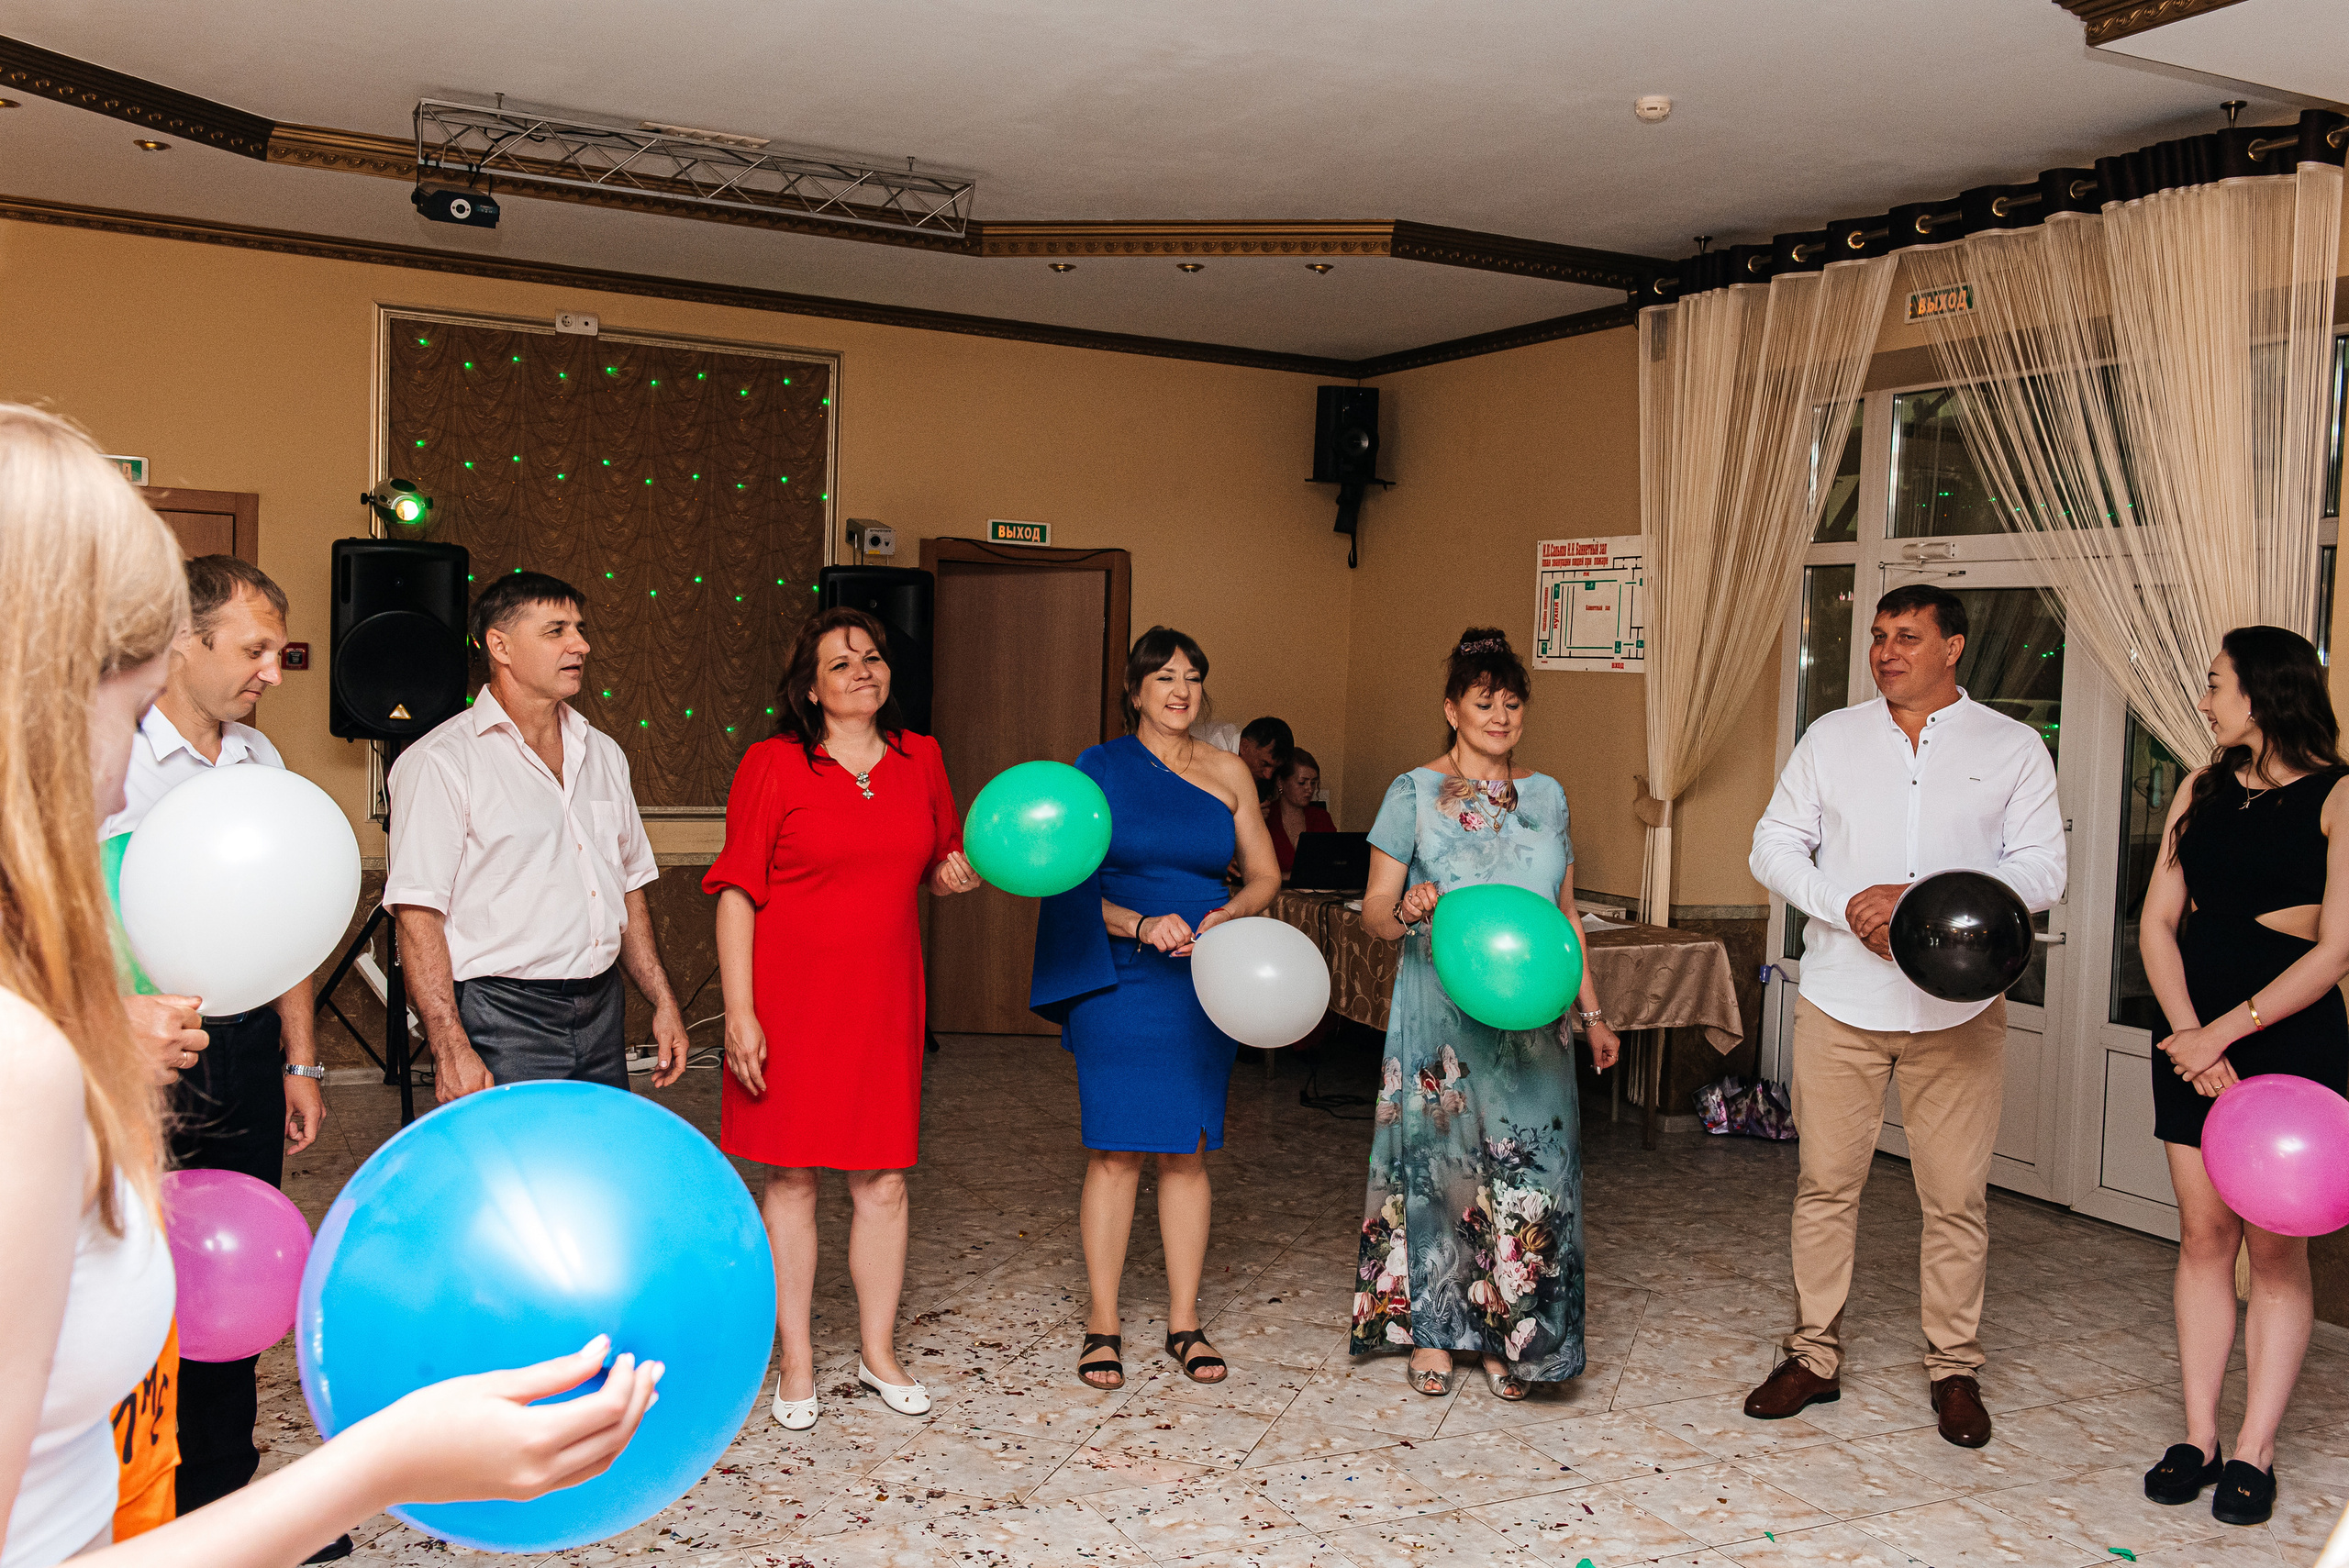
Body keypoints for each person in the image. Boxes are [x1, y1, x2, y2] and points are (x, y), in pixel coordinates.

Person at [0, 402, 659, 1568]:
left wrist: (294, 1053)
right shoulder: (27, 1069)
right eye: (124, 696)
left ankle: (215, 1470)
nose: (120, 781)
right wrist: (379, 1463)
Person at [1746, 583, 2065, 1449]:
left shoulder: (2012, 746)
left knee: (1955, 1197)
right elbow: (1773, 843)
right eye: (1879, 635)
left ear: (1952, 647)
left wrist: (1925, 902)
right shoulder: (1832, 736)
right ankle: (1812, 1355)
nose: (1886, 651)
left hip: (1958, 1011)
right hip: (1841, 1001)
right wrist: (1847, 904)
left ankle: (1954, 1369)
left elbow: (2043, 868)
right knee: (1825, 1185)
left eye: (1907, 636)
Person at [94, 557, 337, 1551]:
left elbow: (286, 920)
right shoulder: (109, 758)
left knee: (232, 1270)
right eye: (253, 650)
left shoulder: (260, 761)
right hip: (133, 1049)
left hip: (241, 1049)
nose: (274, 671)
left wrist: (300, 1057)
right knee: (134, 1274)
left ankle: (226, 1501)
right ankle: (135, 1509)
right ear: (184, 642)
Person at [705, 608, 980, 1431]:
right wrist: (740, 1011)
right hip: (787, 1002)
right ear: (810, 690)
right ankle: (795, 1360)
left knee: (883, 1180)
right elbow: (736, 890)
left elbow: (937, 862)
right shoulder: (773, 763)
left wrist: (955, 875)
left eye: (872, 656)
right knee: (791, 1178)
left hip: (884, 1002)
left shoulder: (921, 757)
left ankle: (877, 1352)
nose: (863, 670)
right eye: (841, 662)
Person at [1350, 628, 1620, 1399]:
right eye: (1483, 701)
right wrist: (1407, 907)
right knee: (1445, 1169)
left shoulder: (1548, 796)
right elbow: (1373, 914)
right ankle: (1436, 1331)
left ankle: (1512, 1334)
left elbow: (1564, 915)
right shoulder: (1412, 792)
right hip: (1440, 1014)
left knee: (1533, 1170)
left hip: (1535, 1021)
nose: (1500, 716)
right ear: (1452, 709)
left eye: (1511, 703)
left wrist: (1593, 1012)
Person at [2137, 626, 2349, 1528]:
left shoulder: (2340, 795)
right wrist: (2189, 1033)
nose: (2203, 699)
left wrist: (2222, 1034)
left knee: (2274, 1249)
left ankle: (2256, 1447)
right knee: (2202, 1237)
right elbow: (2157, 921)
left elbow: (2336, 947)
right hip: (2190, 1032)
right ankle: (2199, 1436)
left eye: (2215, 682)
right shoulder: (2200, 786)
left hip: (2287, 1040)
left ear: (2263, 691)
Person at [1030, 628, 1281, 1391]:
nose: (1181, 689)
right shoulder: (1098, 769)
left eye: (1193, 677)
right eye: (1165, 676)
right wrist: (1139, 924)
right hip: (1120, 973)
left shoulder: (1229, 771)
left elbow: (1265, 874)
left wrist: (1230, 914)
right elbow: (1066, 878)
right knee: (1115, 1150)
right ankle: (1102, 1322)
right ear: (1134, 690)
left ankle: (1184, 1321)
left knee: (1187, 1149)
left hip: (1203, 977)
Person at [385, 573, 688, 1100]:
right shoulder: (440, 761)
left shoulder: (604, 753)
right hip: (502, 1015)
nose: (581, 644)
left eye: (580, 628)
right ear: (499, 646)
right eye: (556, 630)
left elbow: (628, 887)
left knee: (593, 1150)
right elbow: (418, 915)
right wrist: (450, 1045)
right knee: (512, 1154)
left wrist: (662, 1000)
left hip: (602, 1007)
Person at [1263, 748, 1337, 877]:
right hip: (1273, 888)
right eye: (1302, 783)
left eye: (1313, 783)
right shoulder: (1265, 816)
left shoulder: (1321, 818)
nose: (1309, 789)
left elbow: (1334, 864)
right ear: (1280, 782)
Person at [1238, 716, 1294, 806]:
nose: (1268, 776)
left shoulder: (1265, 783)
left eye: (1275, 768)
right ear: (1244, 747)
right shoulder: (1217, 754)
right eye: (1264, 764)